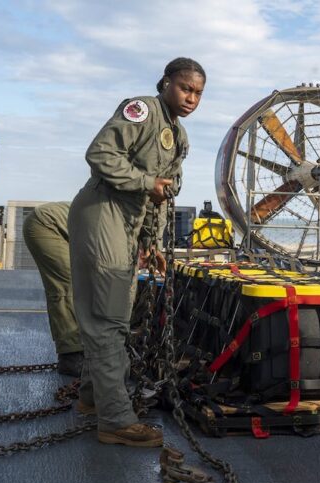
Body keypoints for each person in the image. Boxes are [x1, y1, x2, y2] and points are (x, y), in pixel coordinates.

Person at [68, 57, 205, 447]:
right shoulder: (142, 111)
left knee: (116, 315)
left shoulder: (178, 137)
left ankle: (93, 399)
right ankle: (114, 420)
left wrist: (152, 243)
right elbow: (100, 154)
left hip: (128, 223)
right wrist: (146, 181)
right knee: (108, 319)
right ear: (166, 84)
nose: (191, 98)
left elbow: (158, 197)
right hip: (102, 212)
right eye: (185, 88)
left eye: (198, 93)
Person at [22, 201, 83, 377]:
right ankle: (71, 356)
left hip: (61, 227)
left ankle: (81, 346)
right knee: (67, 286)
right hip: (45, 224)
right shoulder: (120, 231)